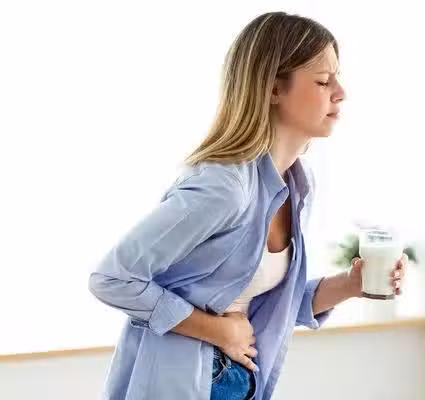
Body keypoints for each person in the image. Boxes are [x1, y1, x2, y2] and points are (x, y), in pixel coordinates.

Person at [88, 11, 407, 400]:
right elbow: (112, 278)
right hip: (189, 384)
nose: (340, 92)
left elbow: (270, 305)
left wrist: (351, 285)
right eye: (324, 81)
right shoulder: (223, 188)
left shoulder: (295, 187)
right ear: (273, 89)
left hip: (238, 382)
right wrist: (216, 329)